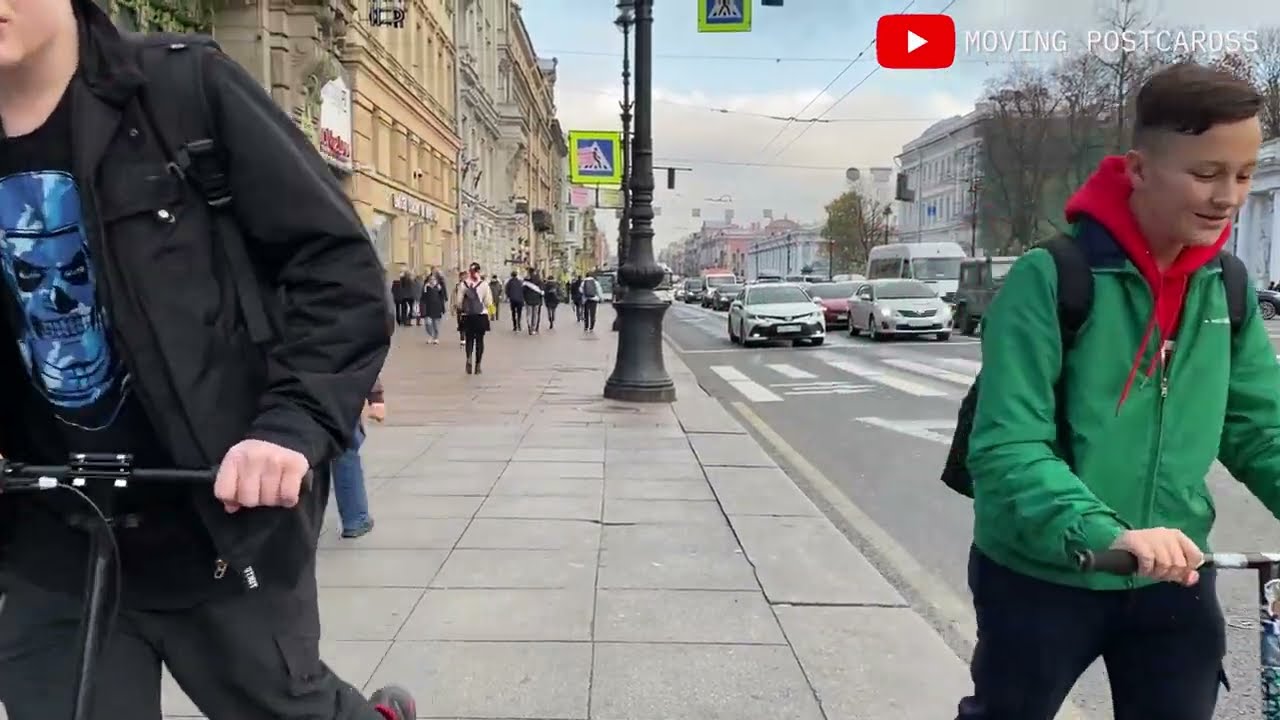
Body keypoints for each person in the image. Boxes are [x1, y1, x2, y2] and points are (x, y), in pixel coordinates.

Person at [0, 2, 415, 718]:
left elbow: (339, 272)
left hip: (217, 524)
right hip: (54, 540)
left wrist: (289, 427)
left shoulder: (184, 90)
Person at [958, 63, 1277, 720]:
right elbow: (1009, 445)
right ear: (1138, 169)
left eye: (1243, 175)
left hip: (1176, 575)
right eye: (1206, 173)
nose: (1229, 197)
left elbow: (1258, 428)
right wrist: (1110, 533)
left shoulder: (1228, 287)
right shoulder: (1051, 278)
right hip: (1043, 571)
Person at [332, 377, 384, 539]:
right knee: (345, 452)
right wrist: (376, 397)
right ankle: (355, 519)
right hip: (336, 392)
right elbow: (359, 355)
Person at [454, 263, 493, 374]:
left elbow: (459, 302)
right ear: (479, 271)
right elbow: (489, 302)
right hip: (481, 315)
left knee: (469, 339)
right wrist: (492, 313)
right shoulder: (484, 284)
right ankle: (478, 365)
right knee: (480, 340)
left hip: (467, 316)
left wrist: (462, 310)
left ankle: (469, 358)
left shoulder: (463, 284)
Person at [419, 274, 445, 344]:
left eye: (433, 279)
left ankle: (436, 338)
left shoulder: (438, 287)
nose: (432, 281)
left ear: (436, 280)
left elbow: (442, 298)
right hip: (428, 308)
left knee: (435, 325)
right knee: (428, 324)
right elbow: (422, 298)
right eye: (431, 279)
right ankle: (431, 335)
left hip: (437, 308)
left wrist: (442, 309)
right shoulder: (426, 287)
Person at [522, 270, 545, 335]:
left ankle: (529, 327)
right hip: (537, 300)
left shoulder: (526, 281)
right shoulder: (539, 281)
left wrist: (525, 298)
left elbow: (523, 291)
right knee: (535, 314)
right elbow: (542, 291)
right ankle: (533, 328)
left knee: (529, 314)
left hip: (528, 300)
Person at [455, 270, 467, 346]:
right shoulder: (457, 285)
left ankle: (466, 336)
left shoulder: (470, 285)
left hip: (468, 307)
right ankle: (462, 337)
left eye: (465, 276)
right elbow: (455, 296)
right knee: (460, 322)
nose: (464, 278)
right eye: (462, 276)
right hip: (460, 307)